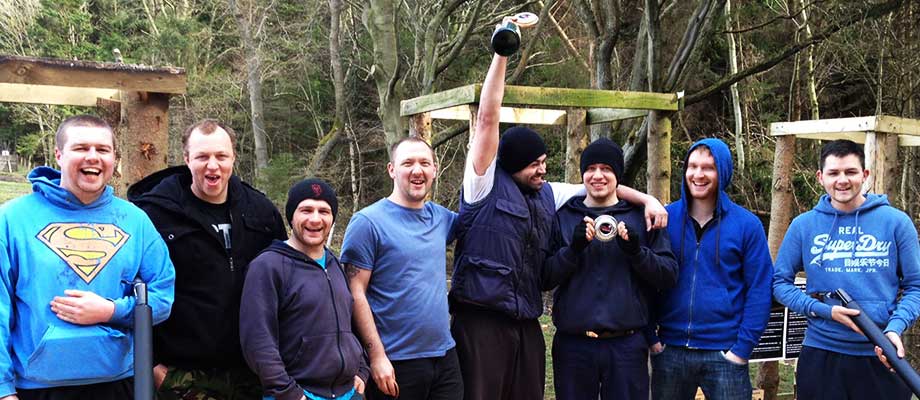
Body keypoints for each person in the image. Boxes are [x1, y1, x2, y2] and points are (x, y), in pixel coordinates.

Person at [449, 53, 668, 400]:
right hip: (482, 319)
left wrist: (647, 199)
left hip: (525, 321)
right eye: (534, 164)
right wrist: (501, 53)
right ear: (513, 165)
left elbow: (597, 185)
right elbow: (488, 118)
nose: (542, 170)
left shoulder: (547, 194)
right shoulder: (482, 185)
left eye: (544, 162)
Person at [0, 115, 176, 400]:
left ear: (114, 158)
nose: (93, 157)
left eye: (103, 149)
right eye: (81, 148)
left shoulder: (135, 221)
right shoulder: (12, 219)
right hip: (37, 387)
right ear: (59, 155)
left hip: (119, 383)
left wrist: (111, 310)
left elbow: (163, 298)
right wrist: (3, 390)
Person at [128, 119, 286, 399]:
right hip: (180, 373)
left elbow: (286, 283)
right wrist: (151, 365)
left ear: (233, 158)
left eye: (221, 156)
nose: (212, 165)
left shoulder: (261, 211)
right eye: (202, 156)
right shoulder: (153, 214)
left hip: (251, 372)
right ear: (187, 159)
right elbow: (127, 288)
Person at [773, 139, 920, 399]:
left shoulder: (897, 223)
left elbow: (916, 287)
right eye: (833, 173)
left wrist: (895, 328)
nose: (842, 180)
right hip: (821, 355)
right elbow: (779, 283)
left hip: (881, 353)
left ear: (865, 174)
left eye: (851, 171)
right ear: (820, 177)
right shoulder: (803, 226)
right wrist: (824, 310)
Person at [545, 138, 678, 400]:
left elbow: (668, 275)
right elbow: (545, 277)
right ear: (582, 174)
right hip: (574, 345)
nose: (597, 175)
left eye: (606, 168)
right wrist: (572, 250)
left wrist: (637, 253)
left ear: (618, 174)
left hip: (626, 346)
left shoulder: (642, 216)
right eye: (590, 168)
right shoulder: (562, 216)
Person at [650, 138, 773, 400]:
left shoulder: (747, 225)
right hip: (670, 349)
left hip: (725, 352)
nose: (698, 174)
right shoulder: (665, 220)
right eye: (692, 166)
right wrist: (652, 339)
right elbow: (645, 279)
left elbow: (760, 289)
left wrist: (741, 350)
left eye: (708, 167)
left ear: (723, 172)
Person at [340, 137, 462, 400]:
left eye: (425, 163)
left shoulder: (442, 218)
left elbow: (481, 215)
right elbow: (355, 293)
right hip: (394, 361)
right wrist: (376, 356)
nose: (417, 170)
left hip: (444, 357)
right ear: (392, 170)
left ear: (435, 170)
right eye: (408, 163)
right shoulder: (367, 223)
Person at [241, 178, 369, 400]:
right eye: (306, 210)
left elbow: (349, 325)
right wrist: (289, 393)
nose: (315, 219)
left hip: (347, 393)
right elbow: (258, 341)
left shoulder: (335, 264)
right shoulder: (268, 266)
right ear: (291, 216)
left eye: (324, 211)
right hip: (296, 394)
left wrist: (362, 369)